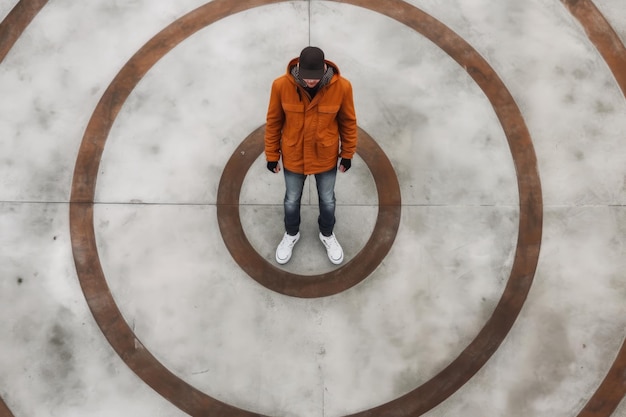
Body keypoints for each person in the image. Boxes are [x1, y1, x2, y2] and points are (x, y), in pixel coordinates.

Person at [264, 46, 357, 265]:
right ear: (298, 68)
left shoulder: (342, 87)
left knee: (327, 200)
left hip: (325, 156)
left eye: (315, 78)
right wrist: (271, 155)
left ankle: (327, 234)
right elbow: (274, 122)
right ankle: (291, 233)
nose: (311, 82)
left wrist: (347, 154)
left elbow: (348, 122)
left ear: (325, 68)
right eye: (306, 77)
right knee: (291, 199)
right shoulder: (280, 86)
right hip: (294, 155)